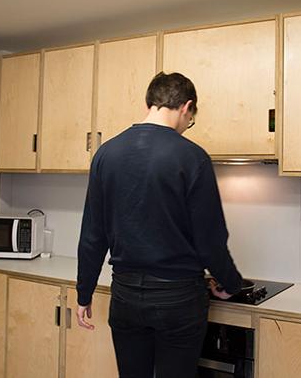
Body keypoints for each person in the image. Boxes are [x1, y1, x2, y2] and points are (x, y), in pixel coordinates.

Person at [76, 71, 242, 378]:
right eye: (190, 119)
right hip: (178, 300)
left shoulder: (105, 154)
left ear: (150, 103)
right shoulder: (192, 157)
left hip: (125, 296)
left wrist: (84, 293)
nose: (186, 126)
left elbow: (92, 235)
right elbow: (210, 239)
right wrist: (230, 283)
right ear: (186, 107)